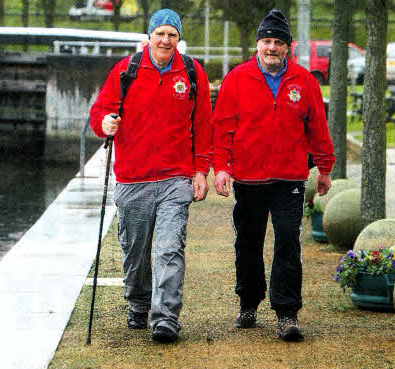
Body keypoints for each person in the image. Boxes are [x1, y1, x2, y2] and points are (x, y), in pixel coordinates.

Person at [211, 8, 335, 342]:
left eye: (278, 42)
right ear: (258, 45)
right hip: (249, 180)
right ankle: (248, 302)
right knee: (248, 243)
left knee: (288, 243)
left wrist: (324, 167)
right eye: (266, 41)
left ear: (288, 47)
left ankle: (287, 313)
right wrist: (220, 167)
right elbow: (222, 127)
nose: (272, 48)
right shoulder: (237, 79)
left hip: (289, 180)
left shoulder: (304, 81)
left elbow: (318, 129)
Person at [89, 9, 212, 343]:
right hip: (133, 178)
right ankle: (138, 303)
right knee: (136, 252)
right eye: (160, 33)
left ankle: (166, 318)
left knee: (169, 248)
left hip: (176, 177)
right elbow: (100, 110)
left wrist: (201, 170)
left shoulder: (191, 71)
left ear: (178, 38)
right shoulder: (126, 70)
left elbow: (203, 126)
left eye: (172, 34)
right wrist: (105, 123)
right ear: (149, 36)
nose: (165, 40)